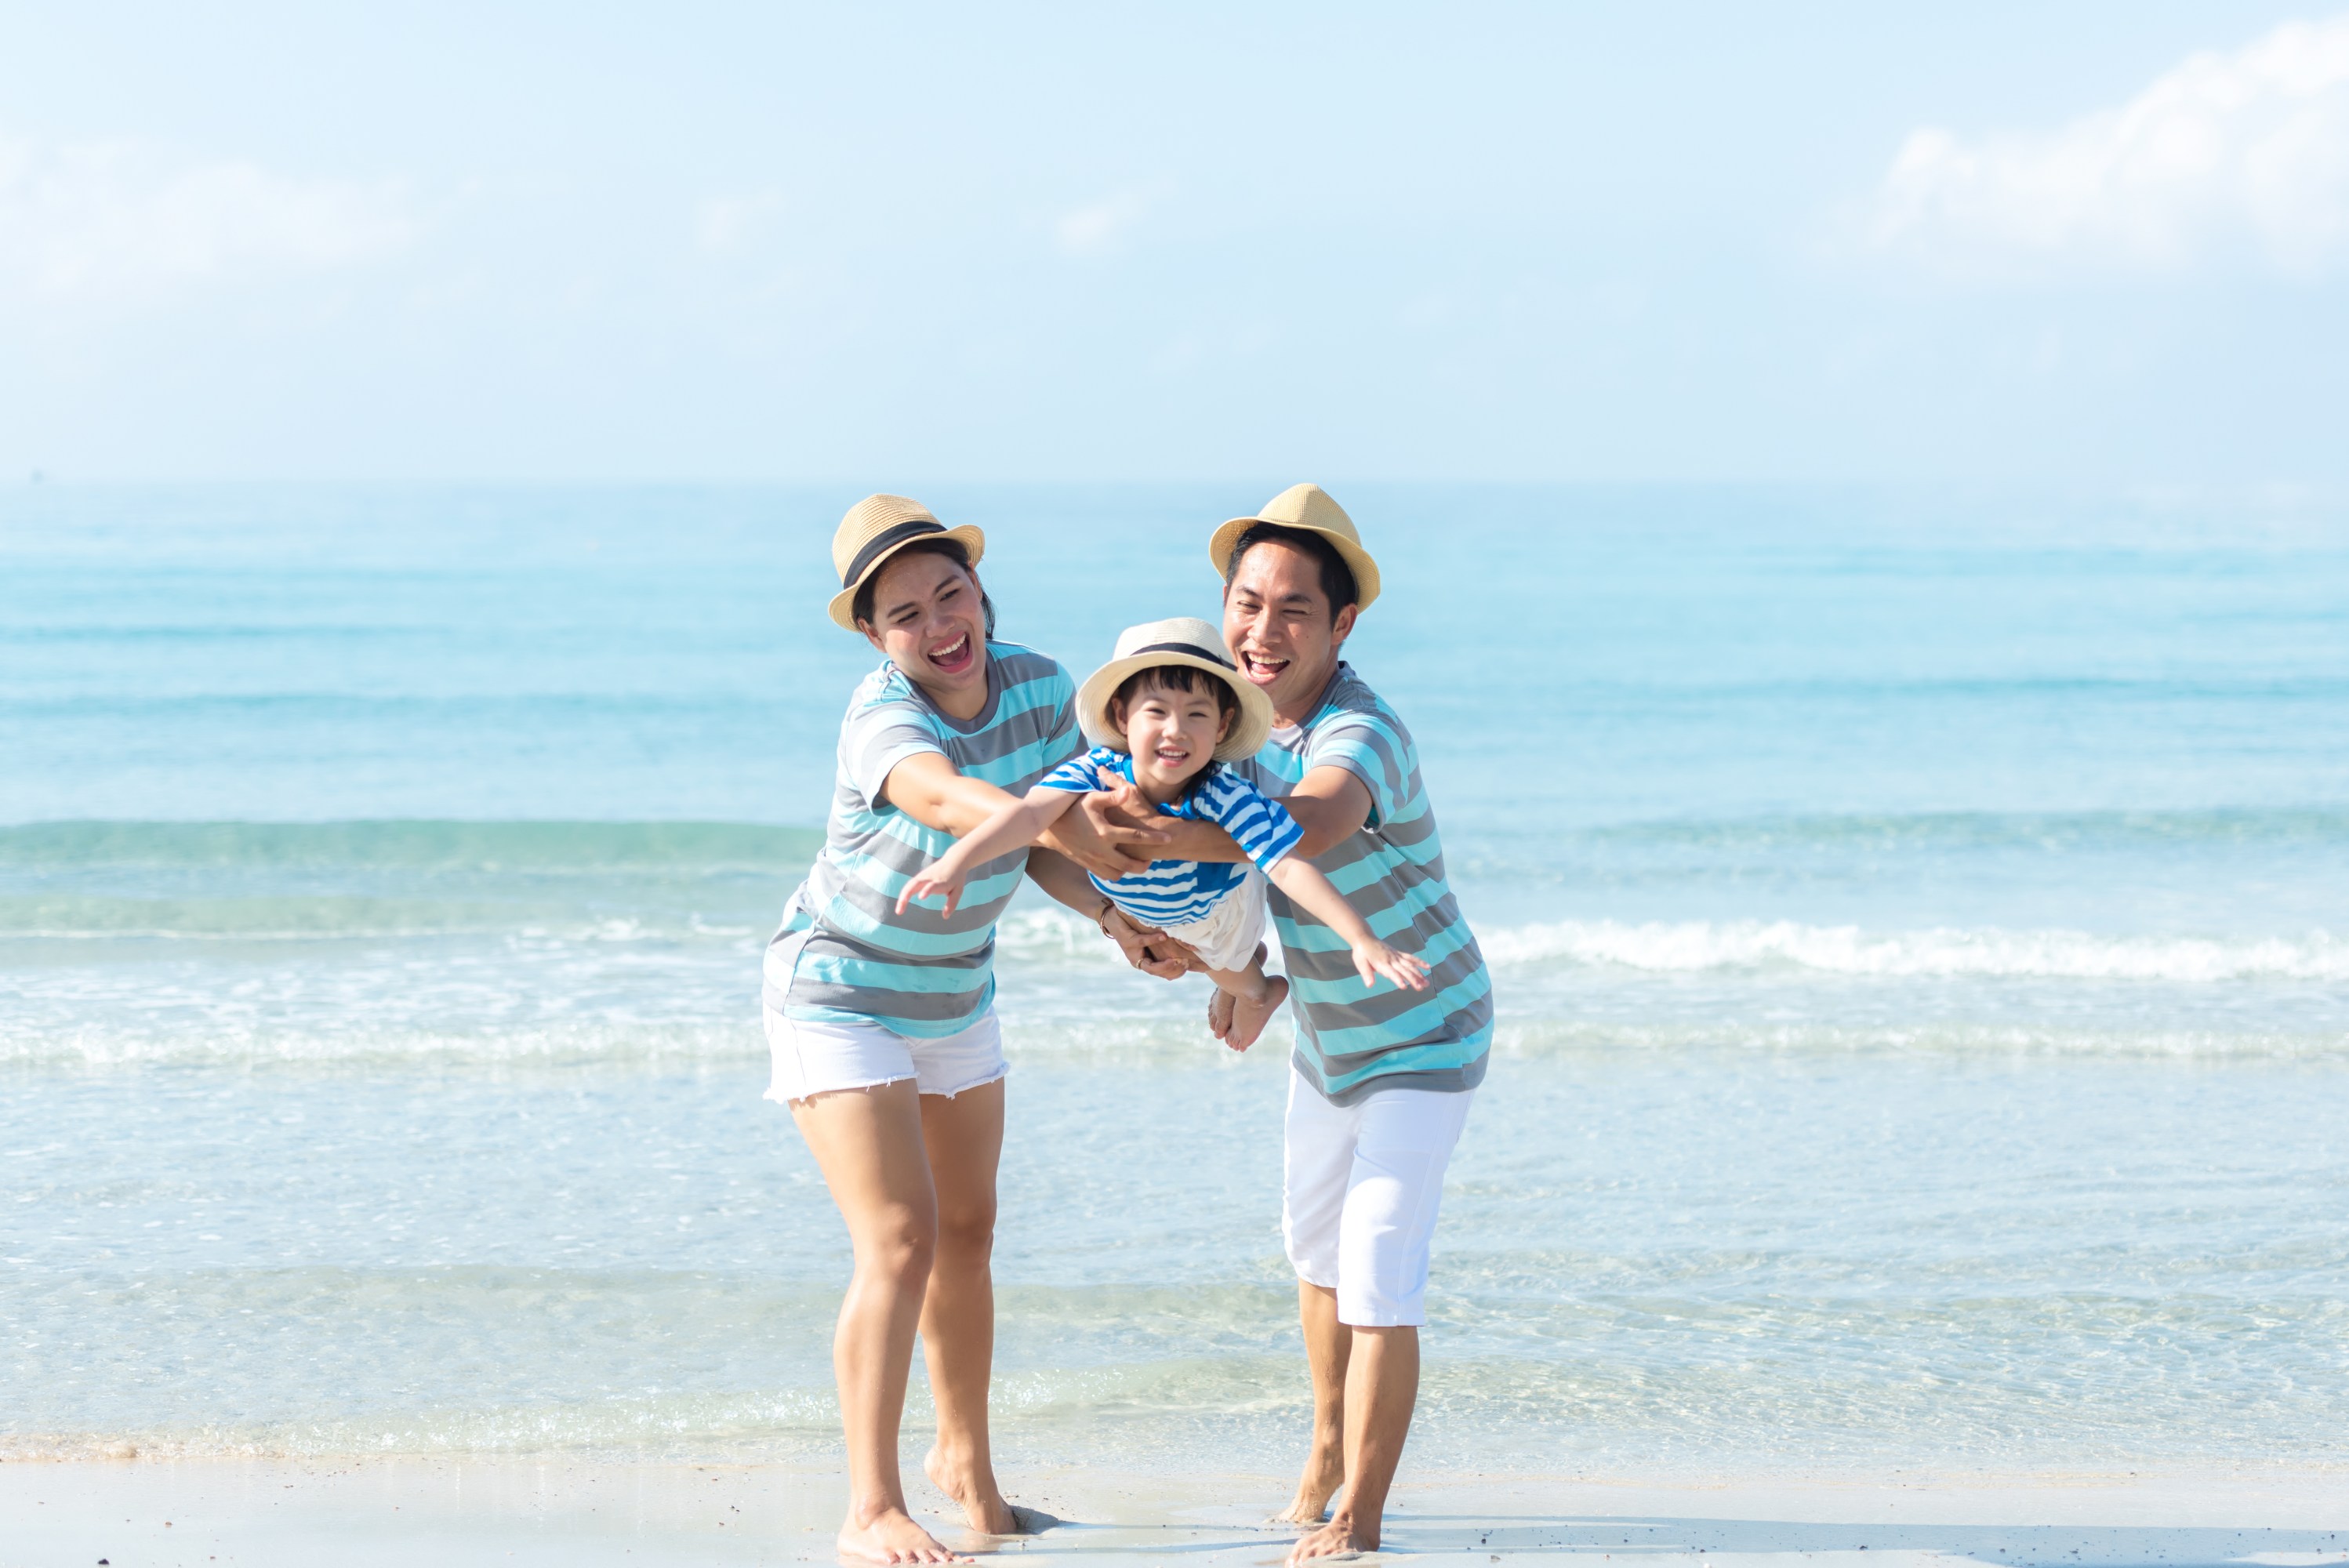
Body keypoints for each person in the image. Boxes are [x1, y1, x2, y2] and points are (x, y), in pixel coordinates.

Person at [764, 493, 1166, 1566]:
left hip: (955, 992)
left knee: (971, 1235)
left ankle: (969, 1471)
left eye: (951, 594)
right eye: (906, 613)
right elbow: (949, 805)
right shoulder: (883, 717)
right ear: (873, 635)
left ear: (980, 592)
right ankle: (871, 1506)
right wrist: (1079, 823)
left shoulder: (1040, 688)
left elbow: (1028, 845)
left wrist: (1114, 913)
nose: (940, 625)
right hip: (840, 990)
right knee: (898, 1238)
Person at [1100, 485, 1493, 1565]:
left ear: (1342, 624)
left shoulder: (1360, 730)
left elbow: (1312, 823)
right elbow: (1205, 867)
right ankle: (1323, 1457)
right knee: (1314, 1258)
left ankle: (1360, 1521)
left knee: (1376, 1266)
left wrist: (1183, 844)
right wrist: (1228, 972)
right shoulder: (1228, 726)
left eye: (1294, 612)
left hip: (1424, 1026)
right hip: (1326, 1031)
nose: (1262, 633)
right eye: (1246, 602)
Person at [895, 617, 1431, 1043]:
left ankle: (1261, 989)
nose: (1176, 731)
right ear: (1123, 716)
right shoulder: (1096, 771)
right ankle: (1242, 964)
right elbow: (1028, 815)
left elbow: (1287, 864)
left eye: (1198, 715)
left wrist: (1361, 939)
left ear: (1221, 727)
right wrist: (957, 860)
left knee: (1223, 968)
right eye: (1157, 711)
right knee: (1177, 953)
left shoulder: (1222, 793)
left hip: (1217, 908)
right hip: (1150, 902)